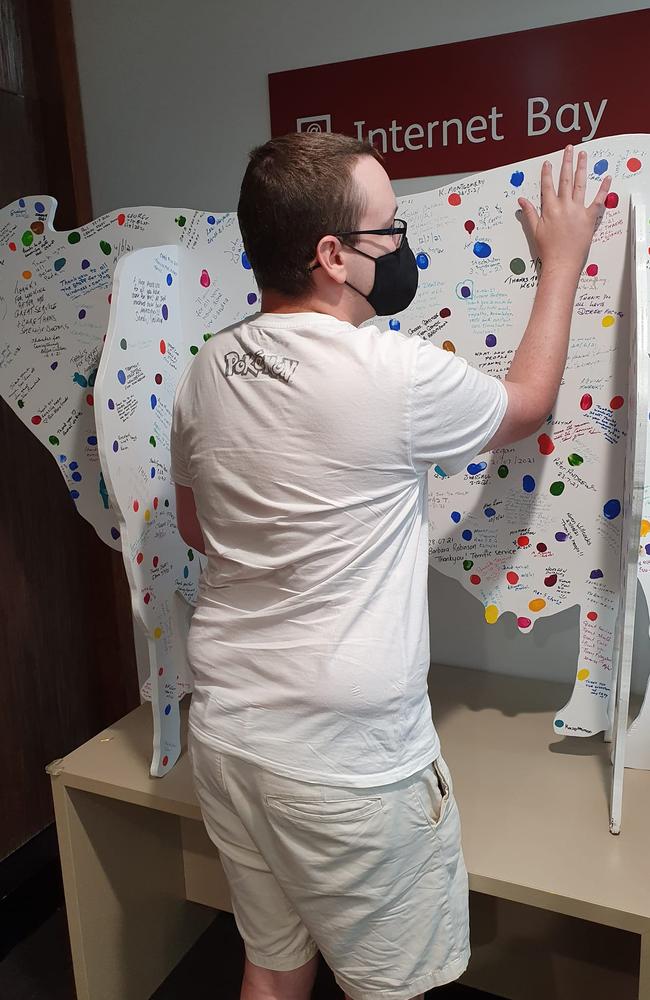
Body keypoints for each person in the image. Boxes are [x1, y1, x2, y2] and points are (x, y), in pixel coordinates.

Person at [171, 132, 610, 1000]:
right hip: (347, 765)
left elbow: (197, 525)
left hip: (228, 734)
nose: (404, 247)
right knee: (397, 986)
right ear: (333, 256)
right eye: (391, 232)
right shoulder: (390, 372)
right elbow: (524, 408)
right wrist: (562, 259)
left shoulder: (207, 367)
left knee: (271, 959)